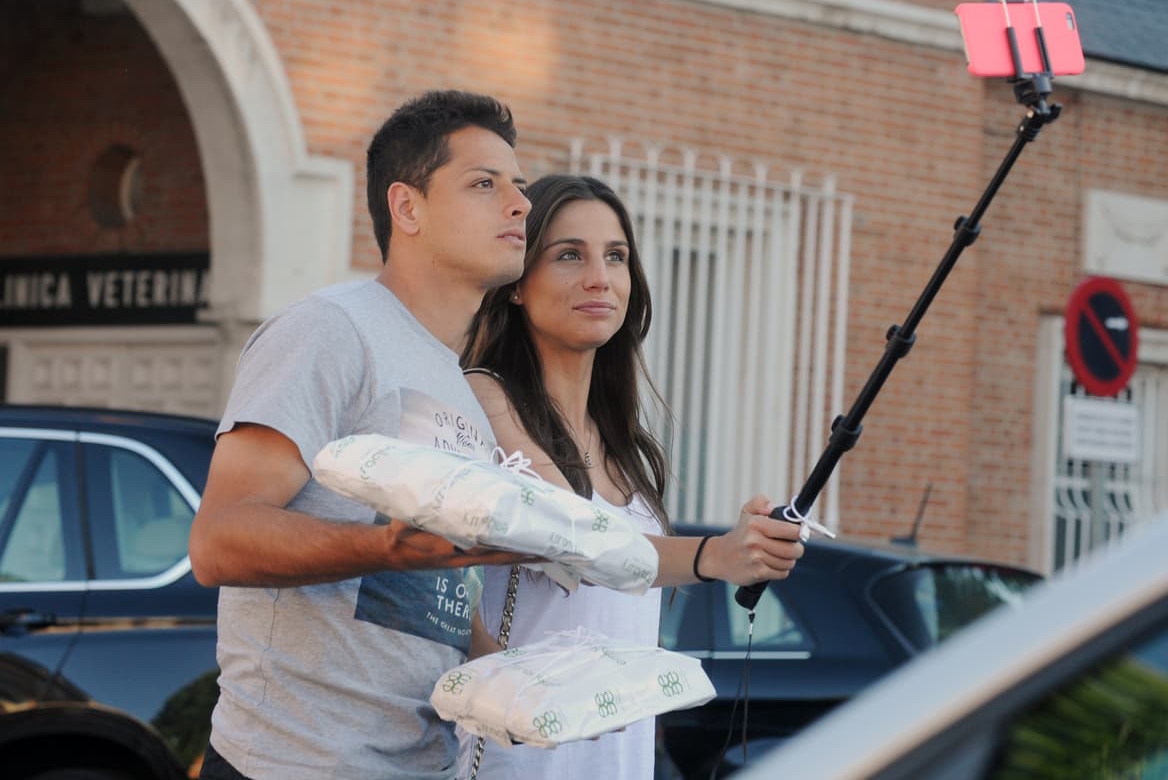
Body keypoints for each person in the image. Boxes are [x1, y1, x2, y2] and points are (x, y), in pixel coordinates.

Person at [188, 90, 538, 780]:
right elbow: (217, 540)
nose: (521, 205)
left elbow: (423, 587)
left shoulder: (453, 380)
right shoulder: (330, 329)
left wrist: (503, 673)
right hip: (292, 764)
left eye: (519, 187)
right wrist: (386, 546)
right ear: (406, 208)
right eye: (484, 184)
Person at [458, 174, 806, 779]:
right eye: (569, 255)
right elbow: (572, 537)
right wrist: (717, 555)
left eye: (615, 257)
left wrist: (746, 544)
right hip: (517, 763)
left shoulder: (624, 444)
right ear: (517, 283)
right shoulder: (484, 399)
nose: (600, 277)